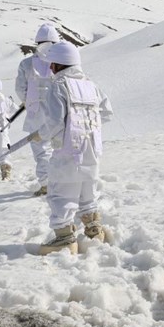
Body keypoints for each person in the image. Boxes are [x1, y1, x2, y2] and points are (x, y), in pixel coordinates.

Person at [32, 41, 113, 255]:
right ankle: (94, 230)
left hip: (68, 152)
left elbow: (55, 123)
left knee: (62, 195)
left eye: (52, 64)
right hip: (92, 150)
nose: (50, 68)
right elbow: (106, 112)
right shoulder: (91, 85)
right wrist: (87, 127)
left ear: (60, 64)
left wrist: (42, 134)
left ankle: (64, 239)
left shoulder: (58, 87)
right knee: (88, 193)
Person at [16, 23, 60, 196]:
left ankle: (46, 184)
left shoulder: (26, 64)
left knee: (41, 150)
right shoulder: (61, 62)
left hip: (36, 114)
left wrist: (27, 101)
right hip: (58, 112)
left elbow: (20, 89)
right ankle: (62, 181)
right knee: (60, 147)